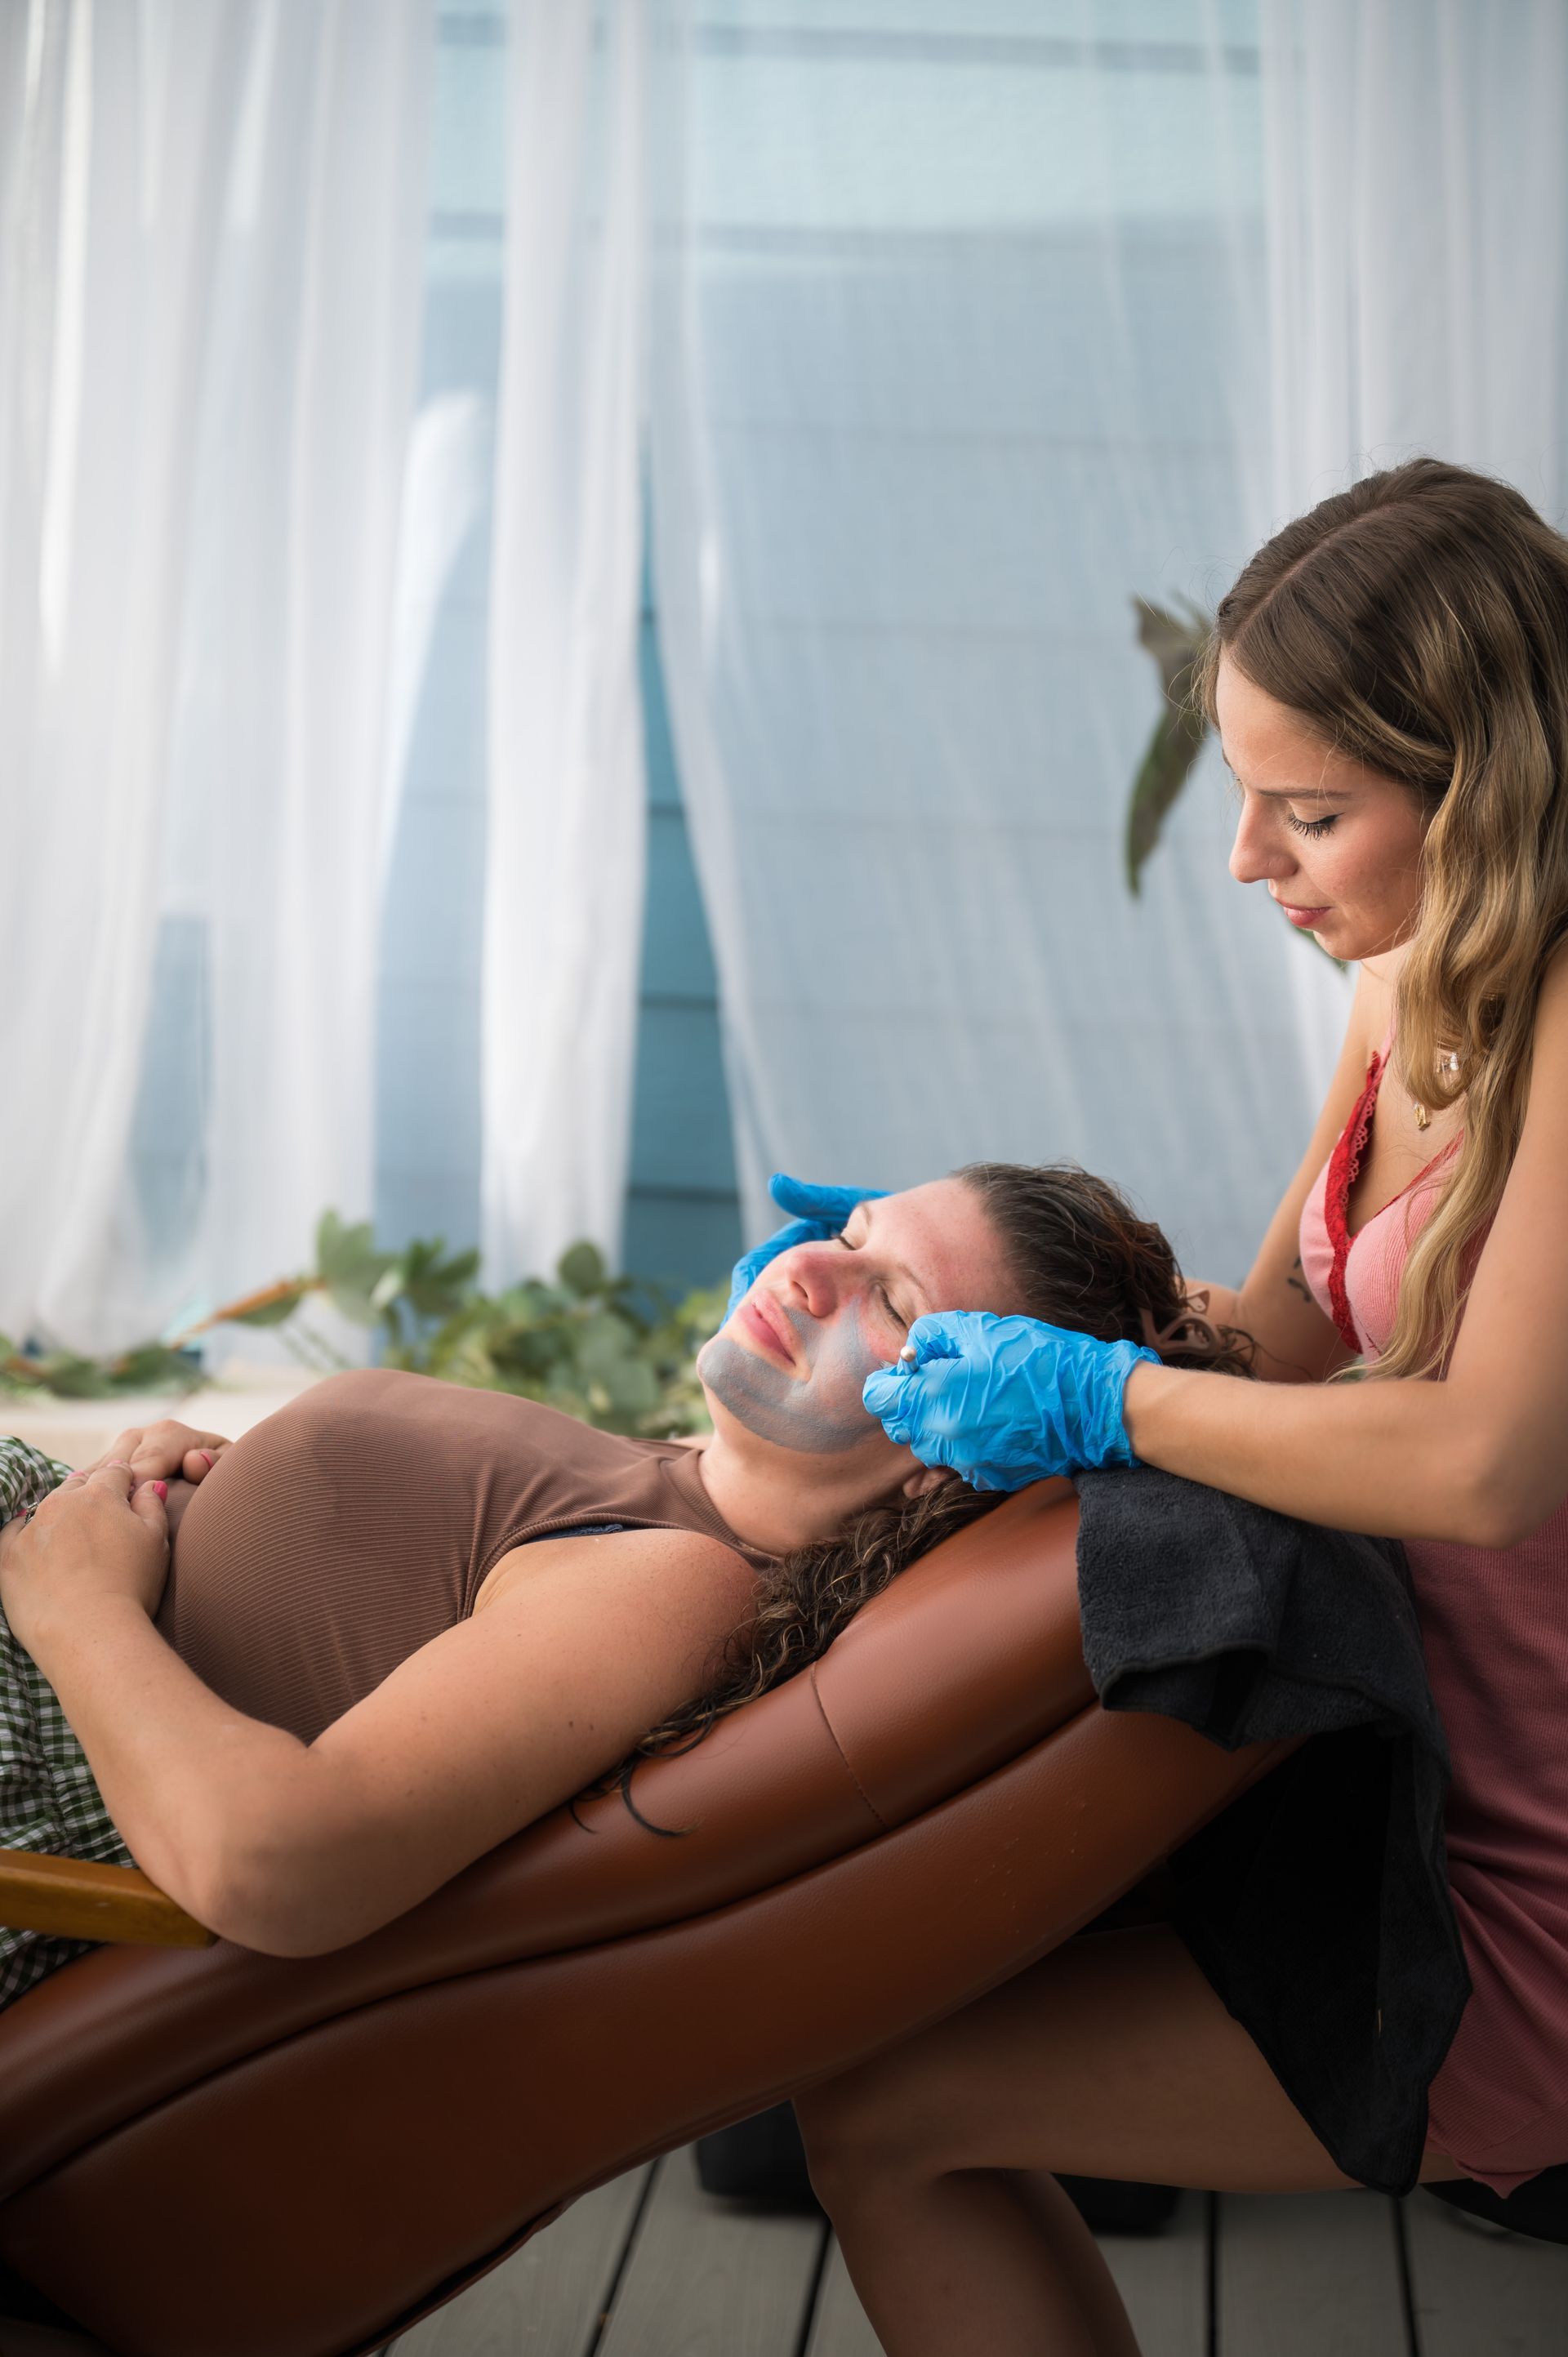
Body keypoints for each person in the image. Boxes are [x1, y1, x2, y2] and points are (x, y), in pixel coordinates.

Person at [746, 459, 1568, 2356]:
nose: (1247, 863)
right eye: (1244, 797)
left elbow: (1478, 1458)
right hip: (1379, 1802)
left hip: (1506, 1899)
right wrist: (929, 1272)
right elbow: (1274, 1336)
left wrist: (1097, 1396)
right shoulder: (1408, 985)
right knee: (876, 2085)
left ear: (1492, 789)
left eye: (1313, 811)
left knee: (887, 2118)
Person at [0, 1161, 1241, 2009]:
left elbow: (275, 1863)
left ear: (947, 1461)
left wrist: (81, 1606)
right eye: (851, 1235)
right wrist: (163, 1495)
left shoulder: (679, 1582)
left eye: (897, 1304)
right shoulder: (673, 1485)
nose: (808, 1270)